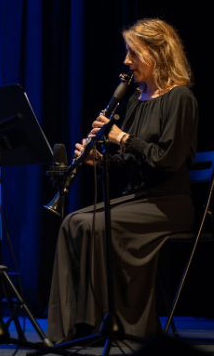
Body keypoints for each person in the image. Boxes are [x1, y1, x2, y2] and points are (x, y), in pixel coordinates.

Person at [47, 18, 197, 342]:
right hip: (139, 198)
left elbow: (166, 160)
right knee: (73, 222)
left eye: (133, 53)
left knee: (96, 226)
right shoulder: (134, 100)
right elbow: (129, 161)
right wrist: (98, 160)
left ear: (158, 54)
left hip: (169, 203)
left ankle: (118, 324)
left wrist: (122, 137)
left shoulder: (180, 98)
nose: (126, 61)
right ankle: (72, 327)